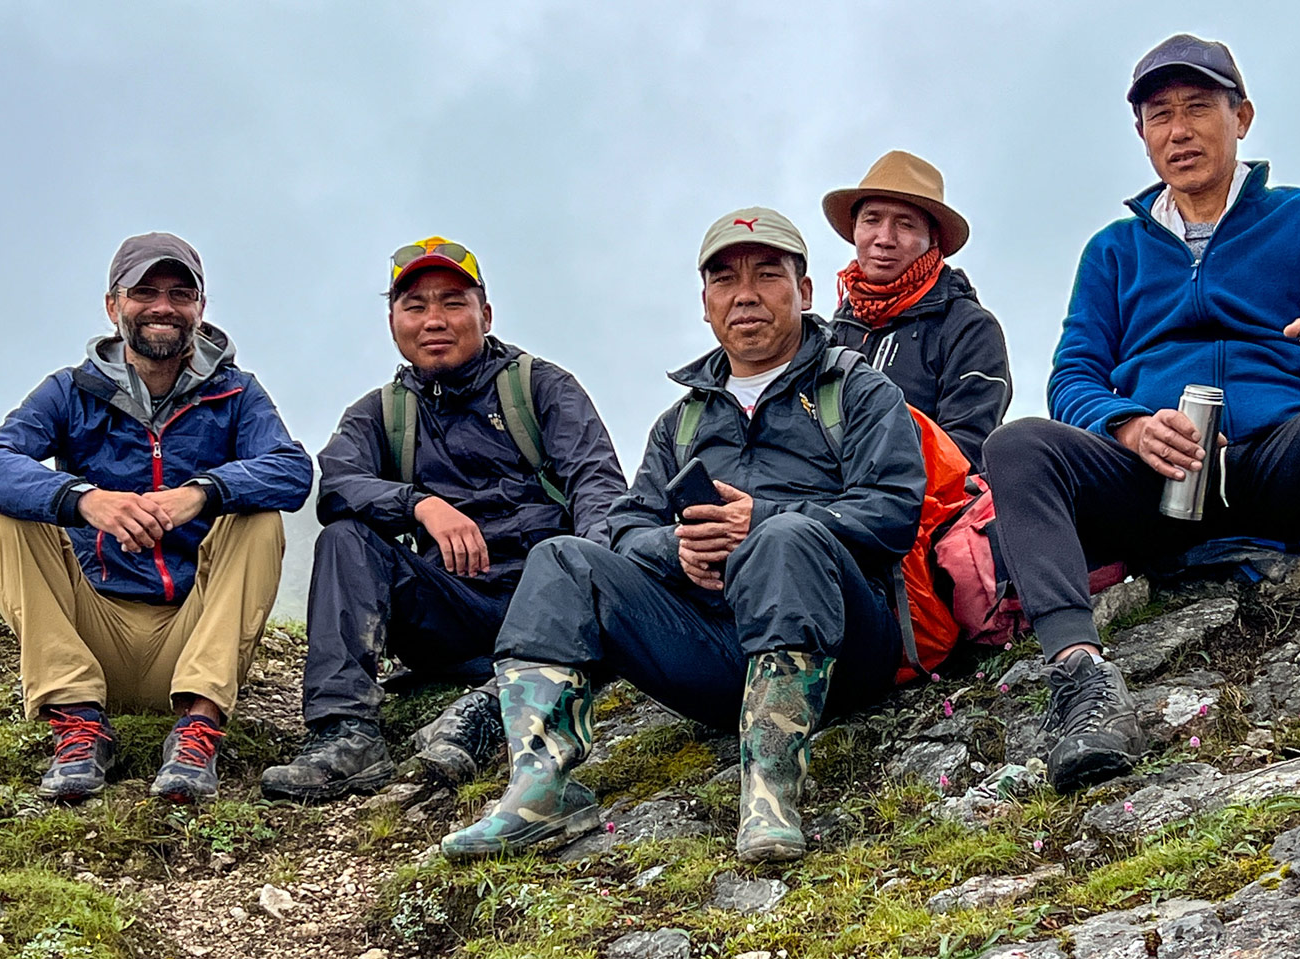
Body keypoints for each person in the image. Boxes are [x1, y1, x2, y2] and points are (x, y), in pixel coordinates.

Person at [981, 34, 1300, 792]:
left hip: (1282, 460)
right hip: (1158, 479)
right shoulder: (1113, 252)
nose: (1178, 131)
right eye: (1159, 116)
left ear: (1241, 116)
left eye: (1197, 108)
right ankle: (1081, 680)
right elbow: (1074, 376)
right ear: (1143, 136)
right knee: (1018, 444)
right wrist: (1128, 424)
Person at [436, 208, 924, 862]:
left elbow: (894, 509)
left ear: (805, 293)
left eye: (767, 274)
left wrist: (765, 518)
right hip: (716, 652)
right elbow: (629, 527)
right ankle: (537, 791)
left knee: (786, 539)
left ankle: (772, 791)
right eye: (724, 279)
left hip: (842, 649)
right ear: (705, 303)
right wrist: (679, 549)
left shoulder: (858, 390)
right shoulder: (682, 421)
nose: (744, 293)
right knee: (562, 559)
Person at [260, 236, 625, 802]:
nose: (434, 320)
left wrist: (596, 586)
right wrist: (419, 505)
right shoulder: (381, 414)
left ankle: (500, 701)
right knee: (346, 537)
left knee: (577, 561)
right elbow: (336, 483)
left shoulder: (540, 388)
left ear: (485, 313)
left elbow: (597, 485)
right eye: (415, 305)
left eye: (453, 302)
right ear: (392, 320)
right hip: (449, 610)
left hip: (547, 603)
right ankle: (344, 734)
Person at [0, 232, 312, 803]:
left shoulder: (237, 393)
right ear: (112, 304)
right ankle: (77, 723)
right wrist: (84, 499)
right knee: (8, 514)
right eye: (144, 291)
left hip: (191, 635)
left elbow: (291, 470)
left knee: (257, 519)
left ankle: (198, 727)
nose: (162, 307)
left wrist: (200, 493)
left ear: (199, 308)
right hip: (91, 627)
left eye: (180, 293)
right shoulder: (68, 392)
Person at [824, 150, 1011, 469]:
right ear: (855, 228)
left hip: (924, 508)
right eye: (872, 219)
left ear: (932, 238)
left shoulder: (970, 328)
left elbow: (965, 450)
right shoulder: (829, 335)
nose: (884, 238)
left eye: (905, 224)